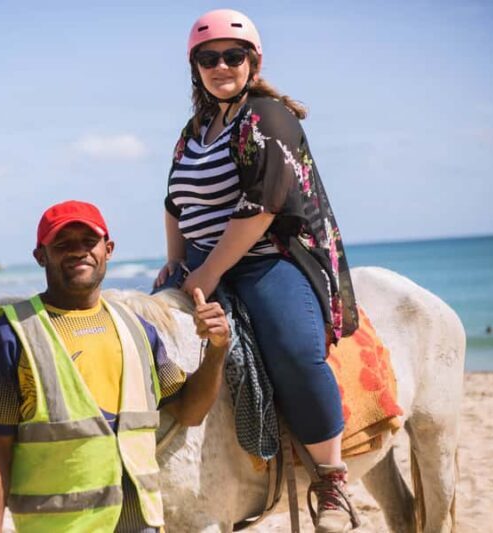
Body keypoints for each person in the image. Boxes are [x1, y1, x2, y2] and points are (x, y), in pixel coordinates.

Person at [155, 9, 360, 532]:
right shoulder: (193, 131)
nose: (220, 66)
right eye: (208, 59)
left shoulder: (267, 118)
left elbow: (261, 207)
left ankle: (331, 478)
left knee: (294, 351)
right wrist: (176, 261)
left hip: (266, 261)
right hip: (200, 263)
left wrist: (207, 275)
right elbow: (175, 203)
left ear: (253, 61)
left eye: (232, 55)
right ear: (195, 68)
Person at [0, 200, 231, 533]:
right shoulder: (12, 334)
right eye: (62, 244)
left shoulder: (137, 329)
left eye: (88, 241)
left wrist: (217, 349)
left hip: (142, 525)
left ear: (108, 250)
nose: (78, 251)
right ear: (40, 256)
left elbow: (190, 412)